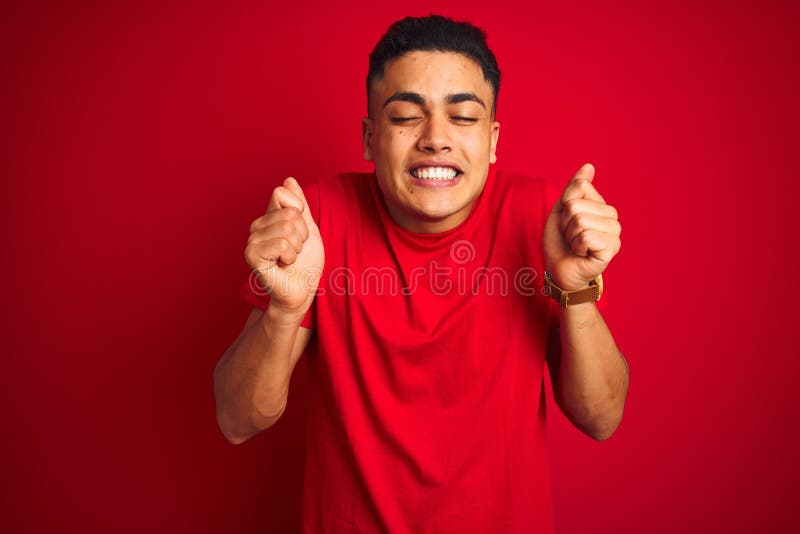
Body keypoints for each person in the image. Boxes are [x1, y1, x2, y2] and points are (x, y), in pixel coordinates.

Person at [214, 14, 629, 533]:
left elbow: (602, 419)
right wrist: (285, 308)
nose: (436, 139)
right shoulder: (316, 218)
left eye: (463, 117)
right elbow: (237, 421)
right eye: (407, 115)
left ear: (494, 139)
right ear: (369, 138)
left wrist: (576, 293)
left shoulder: (540, 217)